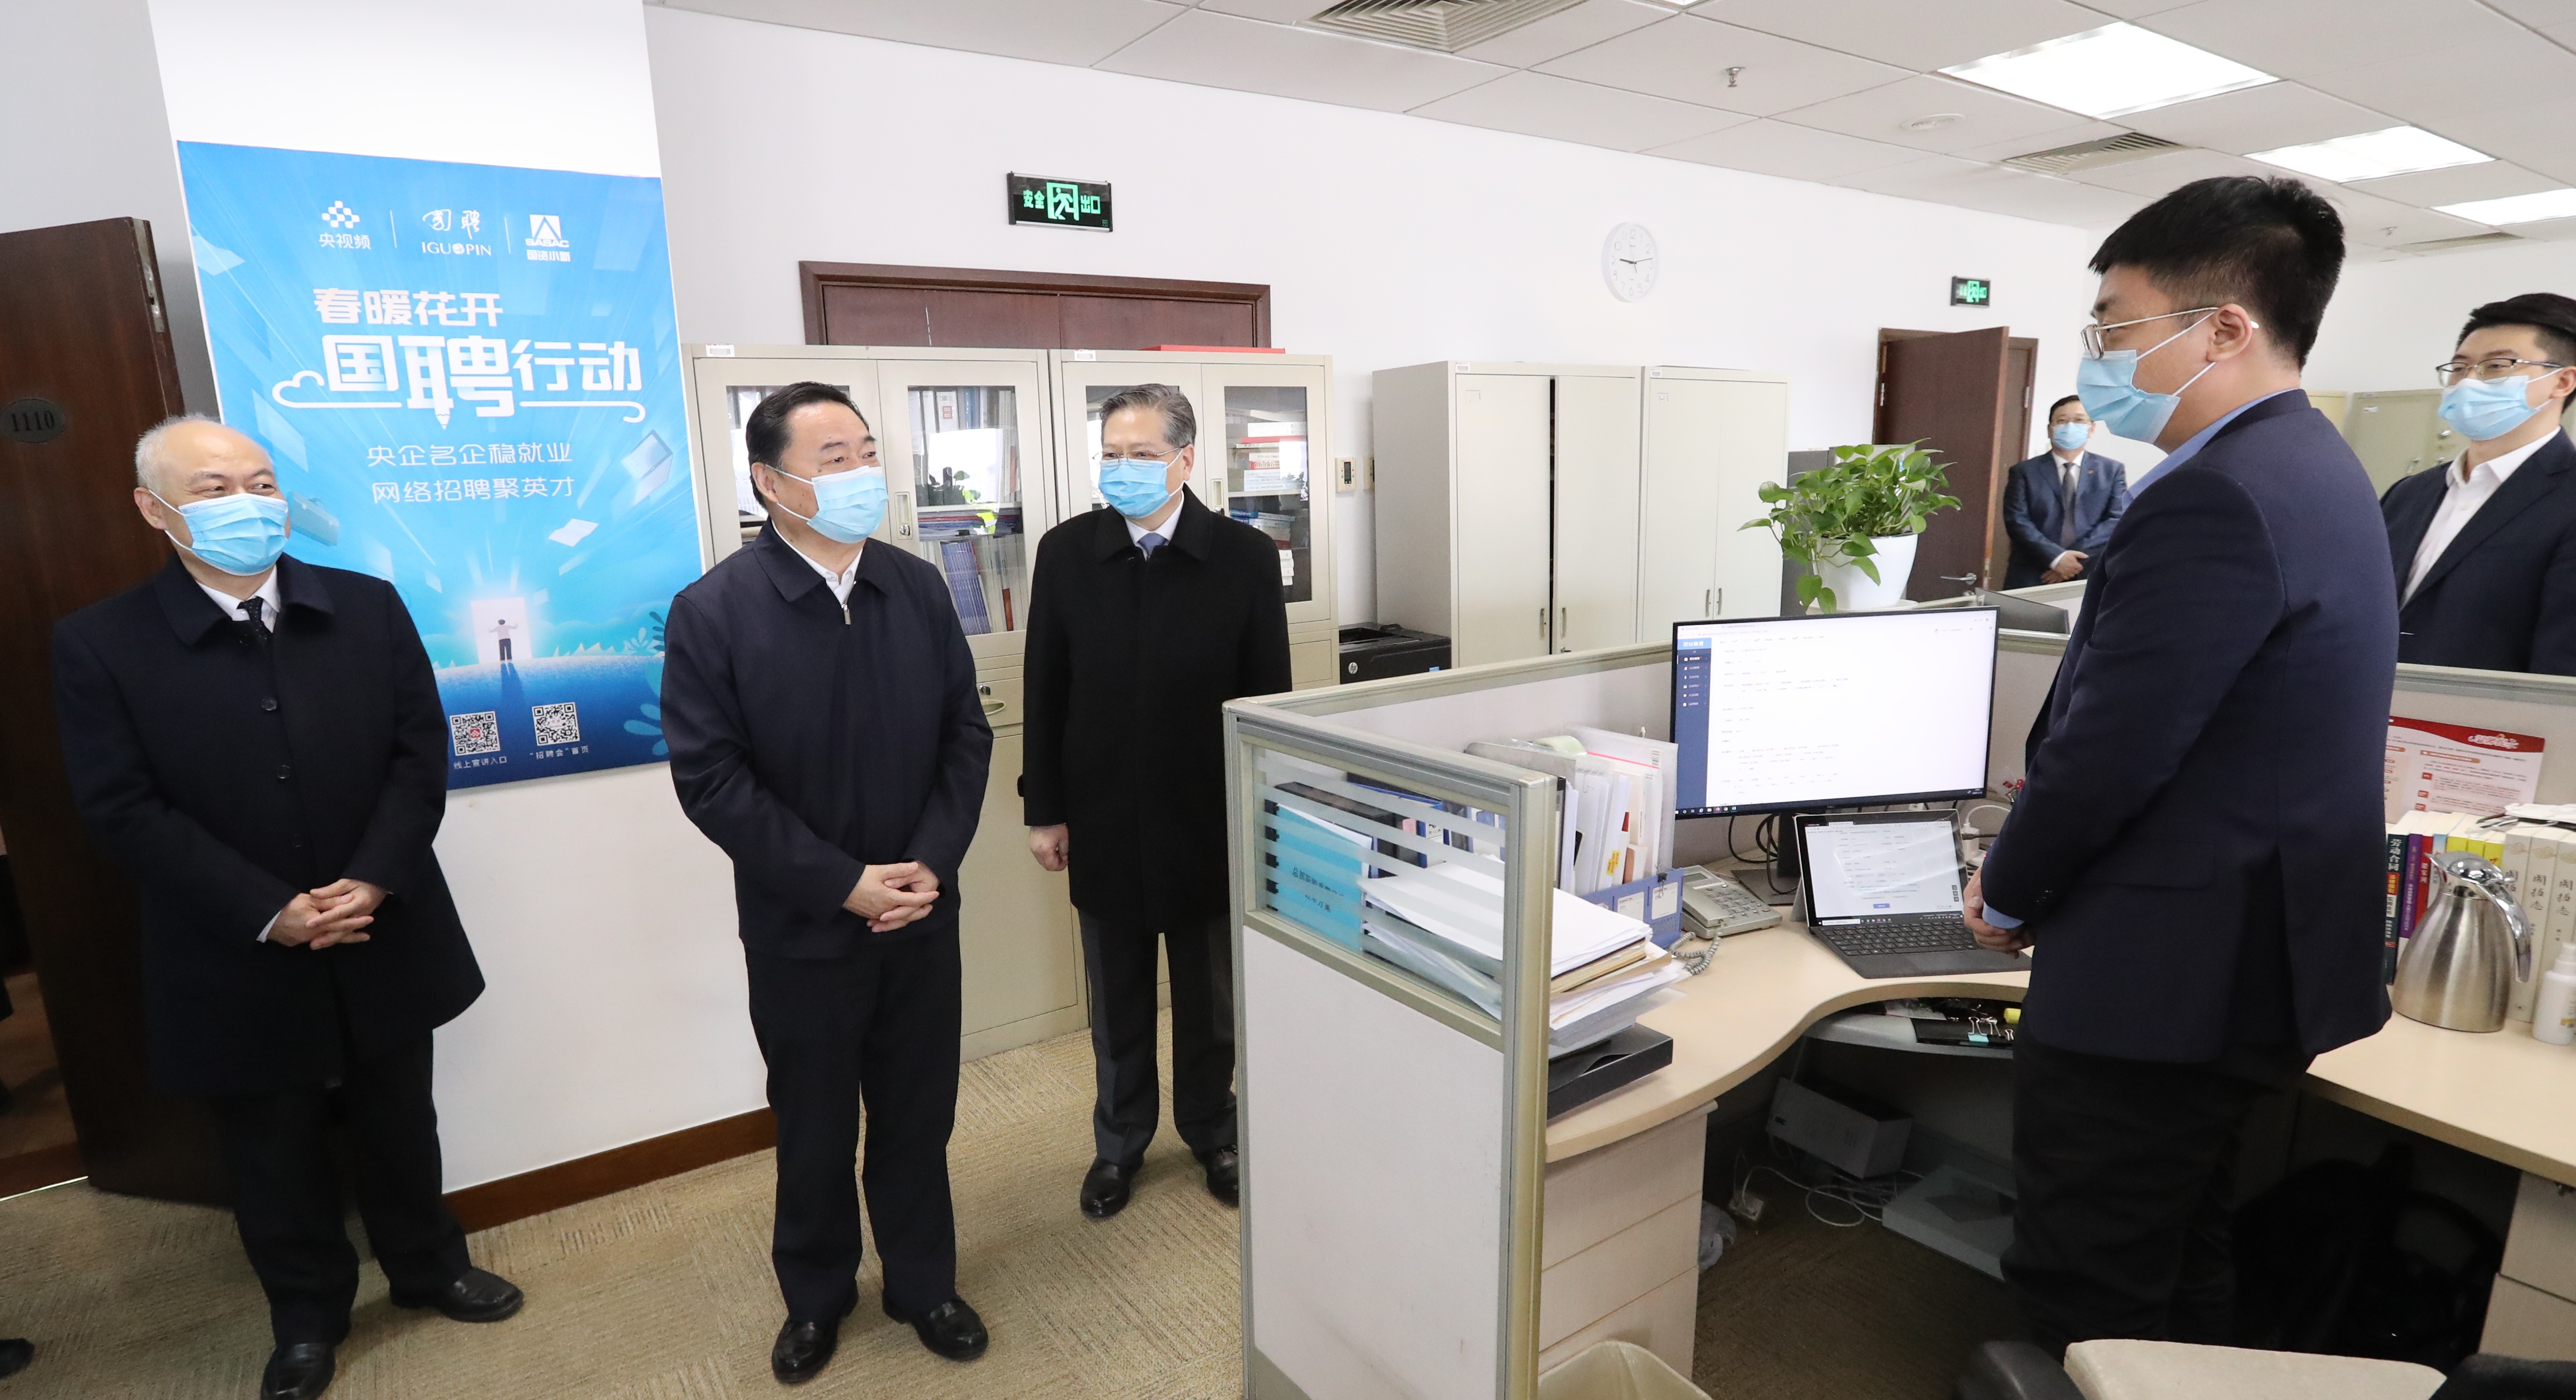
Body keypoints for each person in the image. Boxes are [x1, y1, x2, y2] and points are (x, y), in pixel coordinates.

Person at [1961, 177, 2397, 1357]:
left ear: (2224, 329)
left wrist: (2009, 888)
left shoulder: (2213, 494)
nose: (2098, 355)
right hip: (2252, 960)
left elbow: (2112, 750)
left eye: (2116, 325)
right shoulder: (2315, 464)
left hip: (2168, 976)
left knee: (2088, 1274)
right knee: (2183, 1239)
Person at [52, 417, 519, 1400]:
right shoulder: (101, 643)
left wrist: (376, 876)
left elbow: (418, 753)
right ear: (154, 509)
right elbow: (121, 808)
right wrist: (270, 909)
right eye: (215, 488)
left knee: (401, 1116)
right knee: (270, 1143)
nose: (249, 503)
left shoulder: (366, 606)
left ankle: (429, 1266)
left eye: (261, 482)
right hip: (233, 944)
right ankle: (307, 1316)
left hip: (380, 919)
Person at [661, 382, 994, 1385]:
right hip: (802, 928)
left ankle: (923, 1282)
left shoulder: (915, 586)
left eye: (866, 453)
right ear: (771, 483)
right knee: (812, 1124)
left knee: (917, 1113)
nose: (860, 475)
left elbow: (965, 733)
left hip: (921, 915)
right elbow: (712, 781)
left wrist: (932, 860)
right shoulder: (716, 610)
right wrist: (843, 882)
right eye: (833, 459)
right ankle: (815, 1295)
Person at [1022, 383, 1289, 1222]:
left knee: (1211, 1001)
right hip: (1101, 815)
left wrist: (1264, 817)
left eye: (1142, 454)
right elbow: (1045, 687)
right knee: (1119, 998)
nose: (1123, 469)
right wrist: (1044, 809)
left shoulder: (1243, 556)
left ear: (1186, 460)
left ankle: (1213, 1129)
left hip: (1208, 817)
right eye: (1112, 454)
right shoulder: (1067, 552)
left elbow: (1268, 699)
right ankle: (1120, 1142)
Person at [2383, 291, 2576, 674]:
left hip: (2488, 713)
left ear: (2562, 381)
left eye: (2497, 366)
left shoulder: (2567, 499)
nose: (2468, 381)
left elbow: (2563, 667)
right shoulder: (2408, 494)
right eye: (2459, 368)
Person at [2000, 395, 2131, 588]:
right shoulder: (2024, 471)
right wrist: (2056, 558)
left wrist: (2070, 561)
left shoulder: (2112, 471)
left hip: (2089, 574)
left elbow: (2116, 519)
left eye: (2079, 420)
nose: (2070, 426)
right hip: (2032, 574)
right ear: (2050, 429)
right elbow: (2017, 520)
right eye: (2062, 421)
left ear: (2092, 429)